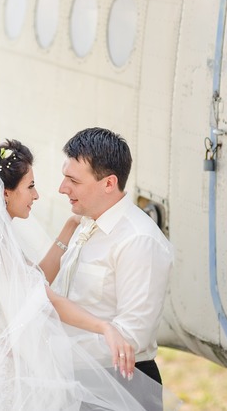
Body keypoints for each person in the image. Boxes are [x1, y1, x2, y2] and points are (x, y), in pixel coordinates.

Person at [0, 140, 154, 410]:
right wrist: (105, 327)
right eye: (30, 186)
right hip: (20, 377)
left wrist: (70, 227)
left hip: (10, 367)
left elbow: (35, 280)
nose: (37, 196)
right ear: (5, 194)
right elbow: (50, 300)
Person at [48, 127, 174, 408]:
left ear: (108, 183)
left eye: (73, 180)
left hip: (121, 389)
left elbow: (131, 336)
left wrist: (51, 351)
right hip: (76, 382)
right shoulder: (86, 223)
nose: (62, 188)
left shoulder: (138, 241)